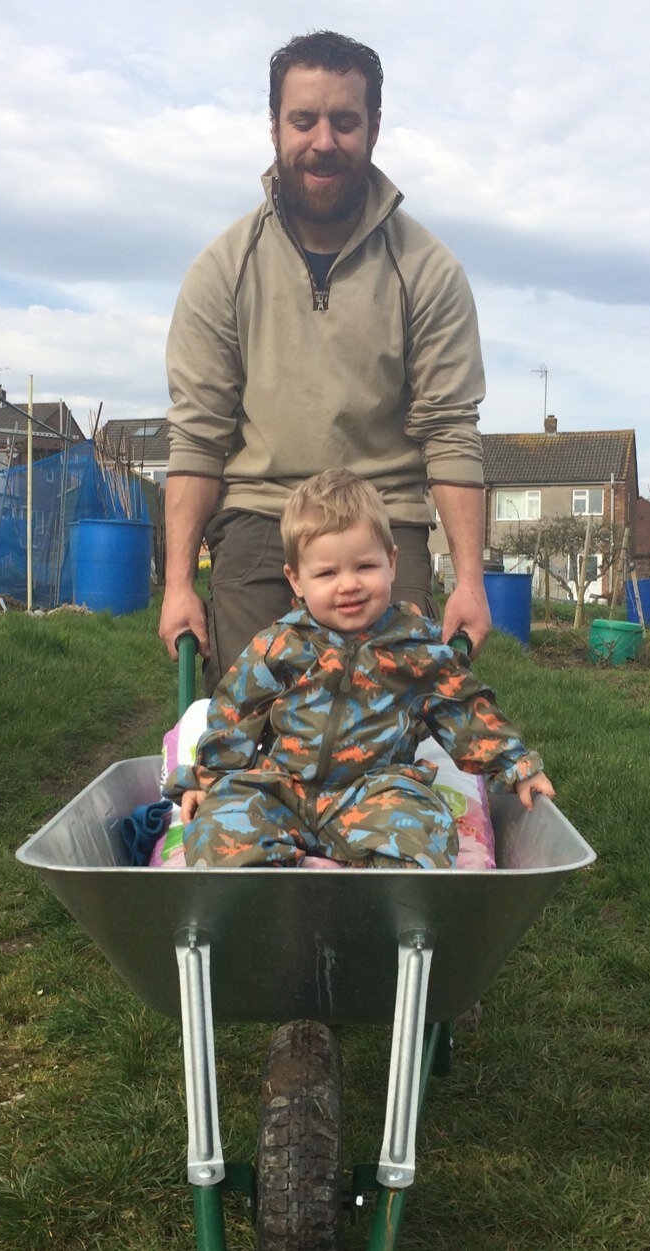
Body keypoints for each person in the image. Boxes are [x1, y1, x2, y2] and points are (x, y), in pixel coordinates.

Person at [159, 30, 492, 692]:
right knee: (256, 712)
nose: (323, 141)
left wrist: (471, 583)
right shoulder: (224, 269)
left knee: (388, 720)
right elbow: (198, 434)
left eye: (344, 121)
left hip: (383, 518)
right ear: (275, 126)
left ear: (373, 128)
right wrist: (176, 585)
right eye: (303, 120)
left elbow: (450, 432)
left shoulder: (426, 271)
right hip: (262, 519)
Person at [163, 471, 554, 868]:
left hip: (374, 794)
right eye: (327, 573)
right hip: (284, 789)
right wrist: (209, 777)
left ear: (392, 564)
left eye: (365, 566)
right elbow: (236, 711)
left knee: (423, 826)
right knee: (220, 825)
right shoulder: (280, 645)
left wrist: (516, 766)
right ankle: (268, 896)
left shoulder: (414, 647)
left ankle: (385, 905)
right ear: (296, 579)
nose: (348, 585)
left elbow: (464, 708)